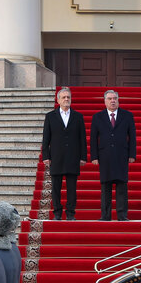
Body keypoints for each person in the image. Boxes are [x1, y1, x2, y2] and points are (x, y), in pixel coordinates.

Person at [90, 90, 136, 221]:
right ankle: (105, 215)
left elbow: (132, 136)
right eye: (110, 99)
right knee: (105, 186)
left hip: (122, 155)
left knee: (122, 186)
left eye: (115, 98)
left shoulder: (127, 115)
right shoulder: (97, 117)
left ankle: (122, 215)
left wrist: (132, 154)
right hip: (105, 156)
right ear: (105, 101)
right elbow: (93, 138)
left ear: (118, 100)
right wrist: (94, 156)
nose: (113, 101)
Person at [41, 87, 87, 221]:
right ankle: (57, 213)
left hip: (73, 157)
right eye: (64, 97)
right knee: (56, 188)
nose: (66, 99)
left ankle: (71, 213)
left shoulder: (78, 117)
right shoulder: (50, 116)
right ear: (58, 100)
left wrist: (83, 157)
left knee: (72, 188)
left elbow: (82, 139)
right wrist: (46, 156)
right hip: (56, 157)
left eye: (68, 97)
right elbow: (46, 138)